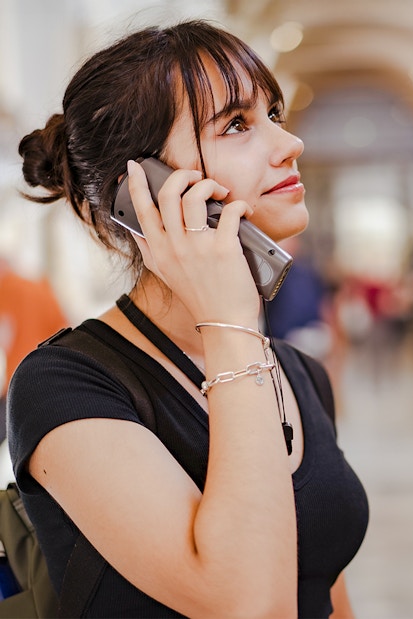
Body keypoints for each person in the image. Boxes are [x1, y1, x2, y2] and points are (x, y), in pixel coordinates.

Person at [7, 19, 368, 618]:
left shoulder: (301, 375)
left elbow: (327, 593)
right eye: (235, 125)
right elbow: (248, 606)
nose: (289, 144)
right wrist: (228, 320)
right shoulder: (65, 386)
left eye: (272, 114)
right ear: (143, 190)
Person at [0, 258, 67, 443]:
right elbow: (63, 326)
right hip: (48, 378)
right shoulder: (39, 287)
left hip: (20, 381)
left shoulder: (7, 292)